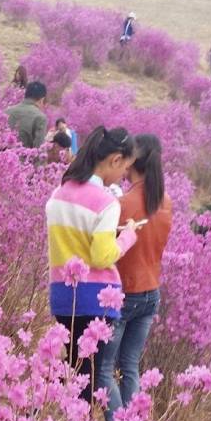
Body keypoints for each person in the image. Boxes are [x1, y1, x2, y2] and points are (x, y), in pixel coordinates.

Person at [46, 126, 138, 402]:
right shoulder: (106, 202)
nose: (123, 176)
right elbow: (101, 256)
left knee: (71, 366)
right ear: (115, 160)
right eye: (125, 169)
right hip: (95, 298)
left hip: (62, 295)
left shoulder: (59, 194)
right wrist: (128, 237)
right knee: (88, 377)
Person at [96, 134, 172, 421]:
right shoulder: (165, 201)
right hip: (151, 292)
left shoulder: (123, 204)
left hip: (124, 293)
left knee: (103, 368)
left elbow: (108, 251)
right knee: (129, 365)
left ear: (132, 163)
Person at [8, 81, 48, 150]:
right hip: (24, 159)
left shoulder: (7, 111)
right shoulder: (40, 117)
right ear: (42, 99)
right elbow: (39, 150)